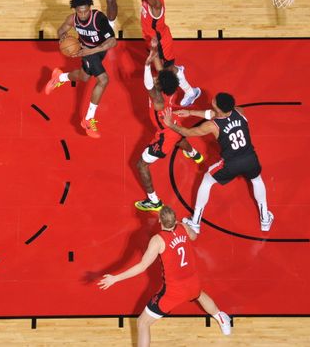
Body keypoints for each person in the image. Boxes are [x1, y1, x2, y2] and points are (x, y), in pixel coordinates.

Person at [98, 206, 231, 346]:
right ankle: (222, 320)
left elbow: (142, 266)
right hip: (193, 282)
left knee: (142, 323)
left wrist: (115, 278)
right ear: (175, 219)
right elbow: (194, 236)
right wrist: (184, 224)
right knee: (199, 295)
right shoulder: (183, 227)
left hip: (173, 292)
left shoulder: (158, 240)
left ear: (160, 221)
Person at [162, 92, 274, 234]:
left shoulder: (212, 126)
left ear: (218, 108)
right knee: (257, 180)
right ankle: (265, 219)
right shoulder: (239, 111)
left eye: (214, 101)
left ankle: (195, 222)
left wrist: (171, 124)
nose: (212, 100)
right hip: (250, 158)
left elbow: (188, 132)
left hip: (231, 164)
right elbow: (215, 114)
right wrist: (190, 112)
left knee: (207, 181)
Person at [134, 42, 203, 212]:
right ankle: (195, 155)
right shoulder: (169, 87)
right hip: (174, 122)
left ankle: (154, 201)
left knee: (141, 165)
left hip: (164, 134)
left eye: (157, 79)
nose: (156, 77)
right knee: (179, 138)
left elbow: (147, 83)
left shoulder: (158, 101)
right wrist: (154, 52)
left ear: (158, 86)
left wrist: (146, 64)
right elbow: (161, 73)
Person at [45, 0, 117, 138]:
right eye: (80, 11)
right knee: (103, 80)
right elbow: (61, 30)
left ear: (90, 8)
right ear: (75, 10)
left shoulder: (99, 19)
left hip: (98, 49)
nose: (83, 14)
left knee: (84, 77)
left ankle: (60, 77)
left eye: (85, 11)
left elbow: (113, 41)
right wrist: (63, 39)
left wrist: (93, 50)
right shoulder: (72, 19)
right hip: (86, 51)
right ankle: (88, 119)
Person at [135, 0, 201, 107]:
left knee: (164, 72)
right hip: (152, 39)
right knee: (165, 69)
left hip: (161, 44)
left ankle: (190, 91)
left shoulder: (156, 5)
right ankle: (177, 71)